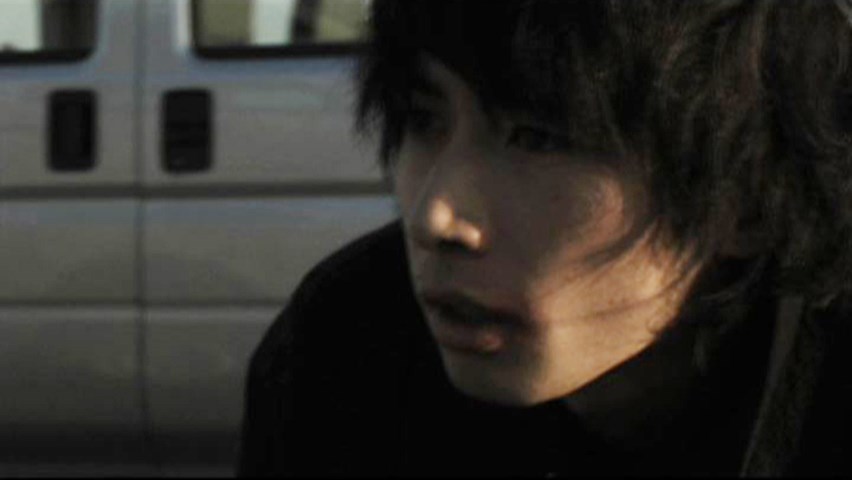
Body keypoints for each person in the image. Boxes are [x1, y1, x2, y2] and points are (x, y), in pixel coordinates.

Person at [238, 0, 852, 476]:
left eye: (538, 138)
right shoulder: (345, 354)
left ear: (745, 202)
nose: (434, 218)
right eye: (423, 120)